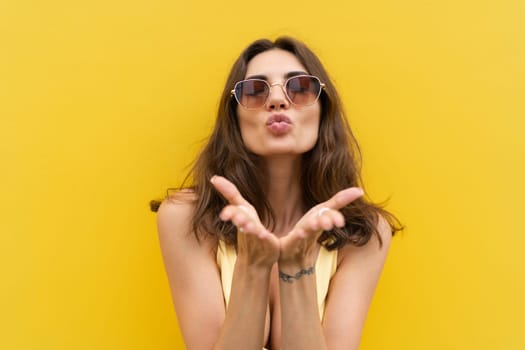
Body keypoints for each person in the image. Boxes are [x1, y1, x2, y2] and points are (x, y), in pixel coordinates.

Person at [152, 36, 402, 350]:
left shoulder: (362, 233)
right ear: (235, 118)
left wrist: (297, 269)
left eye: (299, 87)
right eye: (255, 90)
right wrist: (252, 268)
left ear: (323, 110)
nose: (277, 100)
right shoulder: (186, 219)